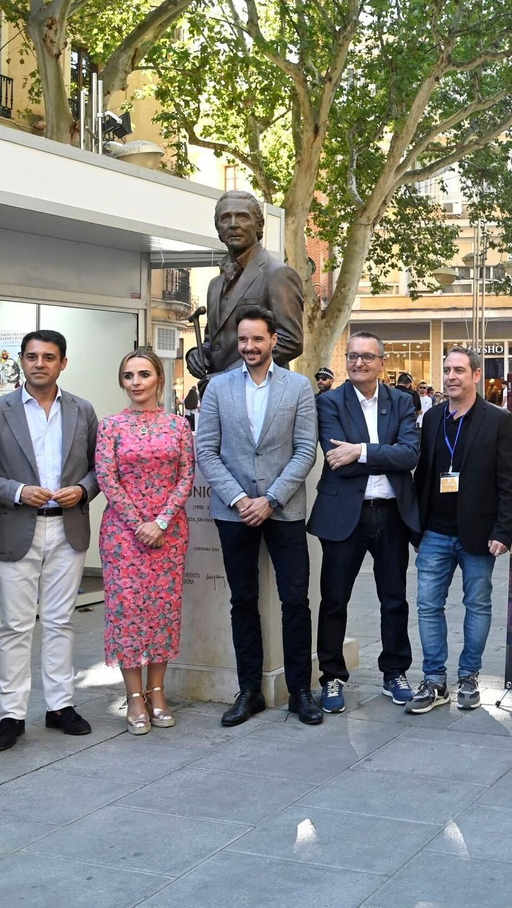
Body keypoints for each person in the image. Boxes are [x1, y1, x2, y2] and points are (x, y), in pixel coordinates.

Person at [0, 330, 101, 751]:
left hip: (67, 527)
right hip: (15, 526)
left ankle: (60, 706)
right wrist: (18, 491)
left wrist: (84, 489)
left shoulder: (83, 410)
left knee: (61, 621)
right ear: (21, 361)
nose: (40, 363)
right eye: (32, 357)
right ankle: (11, 714)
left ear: (63, 363)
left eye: (49, 357)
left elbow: (100, 468)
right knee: (15, 626)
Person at [194, 306, 321, 726]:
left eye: (257, 339)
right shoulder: (217, 388)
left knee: (295, 601)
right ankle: (249, 690)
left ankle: (300, 690)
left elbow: (306, 449)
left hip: (283, 511)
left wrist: (270, 498)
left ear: (273, 341)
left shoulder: (299, 387)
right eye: (243, 339)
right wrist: (237, 498)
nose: (249, 346)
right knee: (242, 601)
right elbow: (206, 450)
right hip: (233, 513)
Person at [308, 332, 420, 711]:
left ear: (381, 363)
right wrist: (375, 454)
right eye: (353, 357)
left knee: (394, 599)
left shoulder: (402, 401)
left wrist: (361, 450)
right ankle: (333, 678)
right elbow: (335, 457)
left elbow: (409, 456)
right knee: (334, 600)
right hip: (343, 516)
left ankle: (394, 672)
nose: (359, 363)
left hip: (391, 514)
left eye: (367, 357)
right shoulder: (328, 402)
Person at [407, 347, 512, 714]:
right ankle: (434, 680)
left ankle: (469, 676)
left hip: (478, 534)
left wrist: (503, 531)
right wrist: (417, 527)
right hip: (435, 533)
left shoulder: (499, 420)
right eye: (447, 370)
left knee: (478, 604)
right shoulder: (434, 417)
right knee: (427, 606)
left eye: (459, 370)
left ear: (475, 375)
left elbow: (509, 482)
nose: (451, 376)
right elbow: (423, 474)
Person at [94, 349, 196, 735]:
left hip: (170, 532)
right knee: (127, 612)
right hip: (123, 534)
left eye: (143, 374)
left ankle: (158, 691)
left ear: (159, 379)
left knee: (164, 612)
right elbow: (106, 477)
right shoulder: (110, 426)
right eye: (128, 375)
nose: (136, 382)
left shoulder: (177, 425)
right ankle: (134, 695)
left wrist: (163, 520)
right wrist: (140, 523)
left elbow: (186, 475)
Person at [186, 190, 305, 380]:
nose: (233, 225)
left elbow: (290, 341)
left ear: (259, 225)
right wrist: (197, 353)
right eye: (226, 218)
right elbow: (215, 341)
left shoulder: (277, 274)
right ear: (218, 228)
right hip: (218, 396)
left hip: (262, 392)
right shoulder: (215, 285)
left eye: (242, 217)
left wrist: (227, 377)